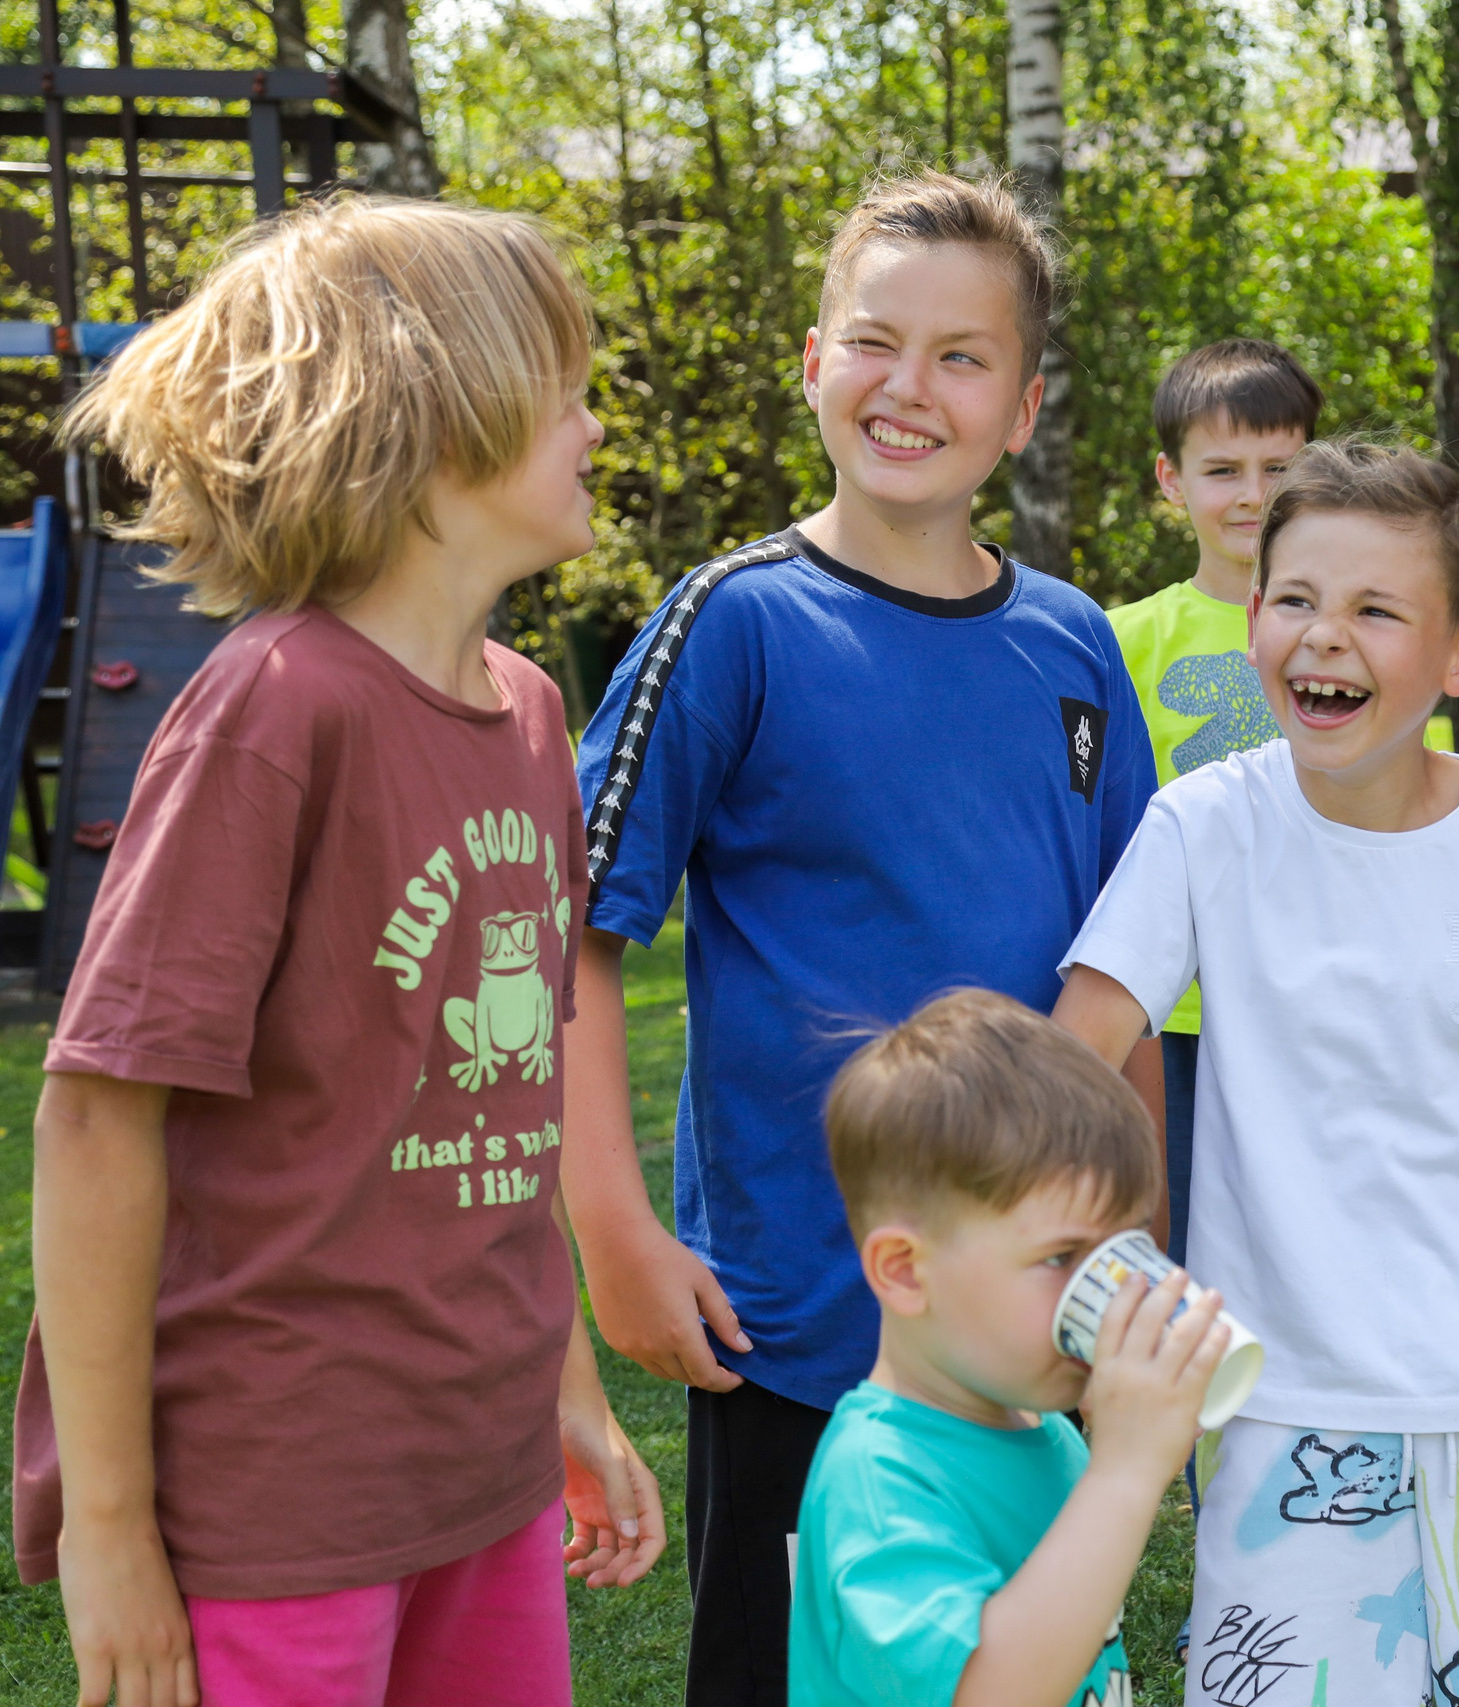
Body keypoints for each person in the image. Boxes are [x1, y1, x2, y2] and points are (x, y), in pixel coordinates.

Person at [17, 196, 664, 1707]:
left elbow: (500, 1127)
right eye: (562, 385)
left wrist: (564, 1396)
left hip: (485, 1468)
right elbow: (100, 1115)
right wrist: (110, 1525)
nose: (590, 421)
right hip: (283, 1502)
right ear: (438, 419)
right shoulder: (275, 710)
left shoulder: (530, 713)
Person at [560, 172, 1155, 1707]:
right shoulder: (732, 621)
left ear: (1021, 409)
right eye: (877, 342)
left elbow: (1129, 971)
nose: (911, 387)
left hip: (1027, 1317)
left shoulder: (1076, 644)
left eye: (963, 357)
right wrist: (617, 1231)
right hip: (801, 1306)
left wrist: (1129, 1233)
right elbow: (571, 932)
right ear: (814, 363)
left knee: (1022, 1666)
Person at [1054, 441, 1459, 1707]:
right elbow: (1074, 1055)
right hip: (1282, 1397)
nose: (1322, 638)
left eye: (1374, 610)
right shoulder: (1204, 827)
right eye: (1294, 600)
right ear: (1251, 618)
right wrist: (1086, 1280)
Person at [790, 988, 1224, 1707]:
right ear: (905, 1270)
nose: (1103, 1292)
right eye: (1062, 1259)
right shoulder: (879, 1478)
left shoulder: (1047, 1430)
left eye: (1117, 1253)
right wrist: (1126, 1472)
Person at [1106, 337, 1320, 1258]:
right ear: (1171, 478)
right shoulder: (1121, 640)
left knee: (1303, 1240)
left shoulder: (1351, 629)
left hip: (1319, 992)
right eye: (1222, 469)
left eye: (1279, 467)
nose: (1252, 493)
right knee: (1178, 1240)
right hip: (1176, 1010)